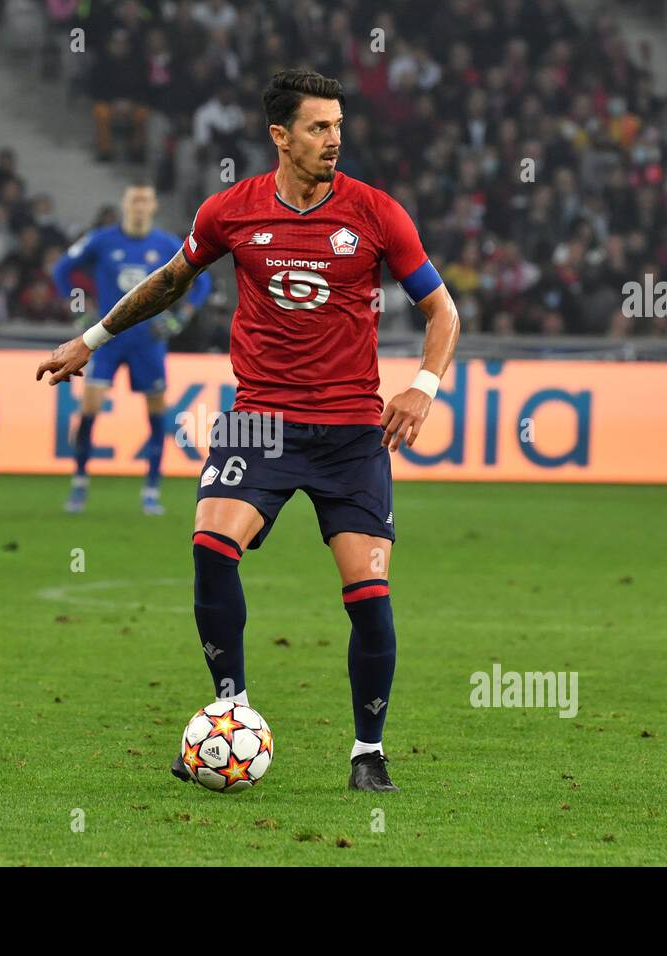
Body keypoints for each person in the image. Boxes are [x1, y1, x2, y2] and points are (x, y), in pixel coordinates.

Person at [37, 70, 460, 791]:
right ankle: (230, 709)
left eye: (337, 126)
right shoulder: (230, 210)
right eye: (318, 127)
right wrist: (92, 339)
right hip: (260, 420)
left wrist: (423, 387)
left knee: (368, 594)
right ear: (280, 136)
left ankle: (368, 752)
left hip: (351, 431)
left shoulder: (377, 214)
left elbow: (443, 313)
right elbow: (171, 280)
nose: (334, 139)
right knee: (210, 545)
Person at [50, 182, 211, 516]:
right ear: (125, 205)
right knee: (90, 410)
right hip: (106, 339)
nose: (139, 206)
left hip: (148, 341)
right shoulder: (101, 240)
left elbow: (203, 280)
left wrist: (180, 318)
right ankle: (80, 482)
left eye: (145, 200)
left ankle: (151, 490)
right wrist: (81, 311)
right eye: (134, 200)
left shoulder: (167, 244)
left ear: (152, 206)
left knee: (155, 415)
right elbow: (61, 270)